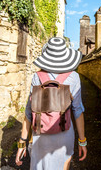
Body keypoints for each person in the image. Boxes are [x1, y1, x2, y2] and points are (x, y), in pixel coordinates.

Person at [15, 37, 87, 170]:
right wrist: (82, 141)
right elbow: (77, 110)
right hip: (64, 135)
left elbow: (29, 111)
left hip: (40, 135)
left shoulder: (37, 76)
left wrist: (22, 142)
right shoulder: (74, 77)